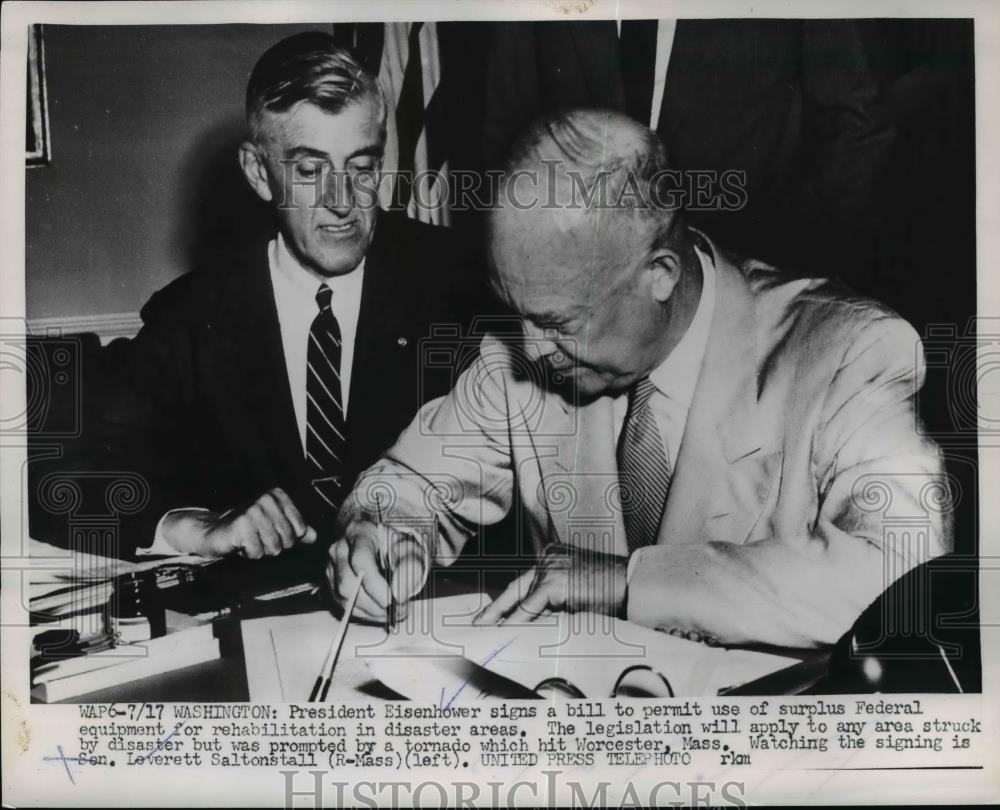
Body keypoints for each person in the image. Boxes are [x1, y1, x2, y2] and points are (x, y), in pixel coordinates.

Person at [327, 109, 950, 649]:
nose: (530, 349)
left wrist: (630, 583)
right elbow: (408, 483)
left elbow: (906, 574)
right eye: (516, 311)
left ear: (660, 273)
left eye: (557, 320)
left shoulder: (852, 352)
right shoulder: (520, 349)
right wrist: (383, 536)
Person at [83, 32, 484, 560]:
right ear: (258, 173)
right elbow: (68, 473)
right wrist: (190, 527)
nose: (343, 201)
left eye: (362, 167)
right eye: (311, 171)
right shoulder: (193, 316)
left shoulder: (461, 287)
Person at [482, 20, 893, 280]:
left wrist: (795, 277)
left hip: (749, 282)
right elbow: (506, 130)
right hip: (585, 294)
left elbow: (856, 121)